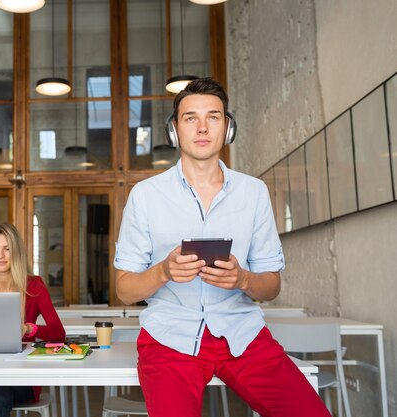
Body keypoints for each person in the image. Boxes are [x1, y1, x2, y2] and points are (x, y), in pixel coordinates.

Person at [114, 78, 330, 417]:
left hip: (243, 334)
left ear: (227, 128)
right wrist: (163, 271)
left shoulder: (254, 192)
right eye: (190, 118)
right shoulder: (145, 195)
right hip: (169, 339)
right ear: (175, 131)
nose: (202, 128)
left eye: (213, 117)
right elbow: (124, 290)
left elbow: (271, 285)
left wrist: (243, 279)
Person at [0, 222, 65, 417]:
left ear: (16, 252)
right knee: (0, 395)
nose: (0, 255)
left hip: (23, 375)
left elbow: (58, 333)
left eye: (7, 249)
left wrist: (28, 329)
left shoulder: (34, 286)